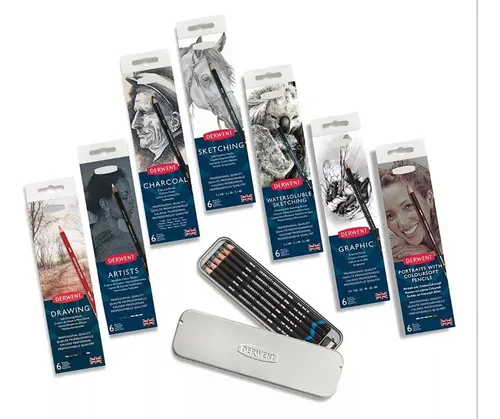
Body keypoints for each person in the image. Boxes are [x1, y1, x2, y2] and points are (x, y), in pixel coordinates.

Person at [379, 160, 441, 262]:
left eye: (408, 206)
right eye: (389, 215)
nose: (402, 223)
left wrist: (429, 255)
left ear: (429, 199)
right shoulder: (395, 246)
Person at [126, 72, 185, 172]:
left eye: (145, 112)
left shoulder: (174, 157)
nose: (134, 124)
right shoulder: (154, 162)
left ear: (174, 122)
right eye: (136, 112)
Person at [85, 167, 140, 262]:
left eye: (130, 195)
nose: (132, 201)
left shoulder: (89, 236)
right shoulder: (125, 246)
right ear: (105, 204)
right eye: (125, 196)